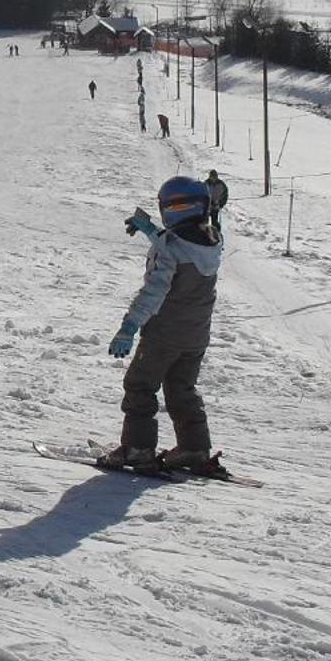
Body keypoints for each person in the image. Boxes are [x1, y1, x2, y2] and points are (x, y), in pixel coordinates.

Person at [99, 177, 231, 479]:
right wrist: (151, 232)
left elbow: (154, 291)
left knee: (140, 386)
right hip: (196, 336)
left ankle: (138, 448)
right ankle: (194, 449)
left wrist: (129, 327)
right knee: (181, 388)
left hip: (163, 335)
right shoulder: (213, 239)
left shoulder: (169, 248)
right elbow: (184, 246)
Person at [204, 168, 230, 239]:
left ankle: (216, 237)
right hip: (206, 207)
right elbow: (202, 194)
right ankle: (205, 237)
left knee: (214, 223)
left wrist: (221, 204)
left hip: (215, 206)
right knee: (204, 222)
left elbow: (225, 195)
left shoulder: (221, 184)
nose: (213, 178)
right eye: (212, 177)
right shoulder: (206, 184)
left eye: (215, 177)